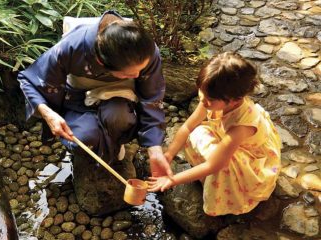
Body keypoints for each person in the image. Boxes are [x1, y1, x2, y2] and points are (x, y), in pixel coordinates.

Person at [18, 10, 172, 177]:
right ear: (101, 63)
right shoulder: (71, 47)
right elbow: (30, 80)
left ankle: (114, 143)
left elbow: (152, 97)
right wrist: (49, 114)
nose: (137, 76)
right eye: (129, 74)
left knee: (120, 118)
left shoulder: (145, 51)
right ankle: (102, 145)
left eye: (140, 71)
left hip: (120, 98)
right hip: (77, 99)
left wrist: (155, 150)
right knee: (81, 139)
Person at [148, 52, 281, 216]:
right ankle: (205, 176)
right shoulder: (210, 96)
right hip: (226, 141)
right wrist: (168, 155)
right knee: (196, 132)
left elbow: (215, 165)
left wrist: (172, 180)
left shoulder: (242, 125)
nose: (202, 100)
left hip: (251, 159)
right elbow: (187, 127)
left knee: (221, 168)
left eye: (208, 99)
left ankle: (227, 195)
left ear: (234, 100)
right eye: (201, 93)